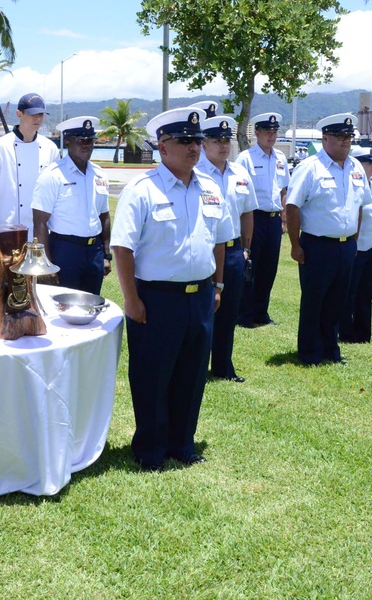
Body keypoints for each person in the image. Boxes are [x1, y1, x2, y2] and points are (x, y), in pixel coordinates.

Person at [111, 107, 231, 471]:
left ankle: (183, 443)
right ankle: (150, 449)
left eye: (196, 141)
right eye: (184, 141)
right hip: (157, 299)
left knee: (192, 375)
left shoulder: (210, 188)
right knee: (153, 376)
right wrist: (131, 300)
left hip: (200, 296)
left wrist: (219, 284)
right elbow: (123, 247)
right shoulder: (142, 190)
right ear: (162, 147)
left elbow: (221, 240)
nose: (194, 147)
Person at [285, 114, 366, 365]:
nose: (345, 142)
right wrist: (295, 245)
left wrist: (354, 238)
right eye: (340, 137)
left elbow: (359, 205)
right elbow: (292, 206)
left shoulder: (355, 166)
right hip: (317, 246)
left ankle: (331, 350)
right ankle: (310, 352)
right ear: (325, 138)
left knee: (337, 302)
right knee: (314, 301)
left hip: (346, 245)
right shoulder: (310, 167)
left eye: (349, 137)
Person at [196, 115, 257, 382]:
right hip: (203, 250)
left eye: (226, 140)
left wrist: (246, 250)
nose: (223, 146)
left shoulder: (240, 174)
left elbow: (247, 214)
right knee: (202, 313)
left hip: (232, 252)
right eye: (216, 141)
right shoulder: (194, 174)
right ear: (203, 144)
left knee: (229, 313)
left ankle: (222, 368)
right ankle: (196, 368)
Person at [32, 116, 111, 294]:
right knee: (61, 307)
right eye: (81, 140)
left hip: (94, 252)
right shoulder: (52, 176)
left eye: (90, 141)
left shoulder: (99, 175)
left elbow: (104, 216)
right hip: (65, 251)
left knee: (90, 304)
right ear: (67, 142)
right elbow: (40, 222)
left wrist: (106, 255)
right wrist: (46, 264)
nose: (87, 145)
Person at [0, 92, 60, 240]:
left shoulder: (50, 148)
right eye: (33, 114)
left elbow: (57, 192)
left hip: (41, 234)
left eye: (40, 114)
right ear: (19, 113)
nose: (37, 118)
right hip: (5, 232)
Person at [235, 112, 289, 327]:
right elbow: (240, 192)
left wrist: (284, 218)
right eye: (267, 132)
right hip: (253, 218)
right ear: (257, 133)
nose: (272, 136)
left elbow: (283, 189)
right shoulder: (246, 158)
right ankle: (245, 315)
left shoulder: (280, 158)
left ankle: (261, 313)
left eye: (275, 132)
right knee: (250, 267)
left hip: (273, 219)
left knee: (269, 268)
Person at [340, 146, 372, 344]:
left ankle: (363, 333)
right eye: (369, 162)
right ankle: (346, 333)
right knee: (349, 294)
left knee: (366, 294)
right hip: (356, 248)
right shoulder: (352, 187)